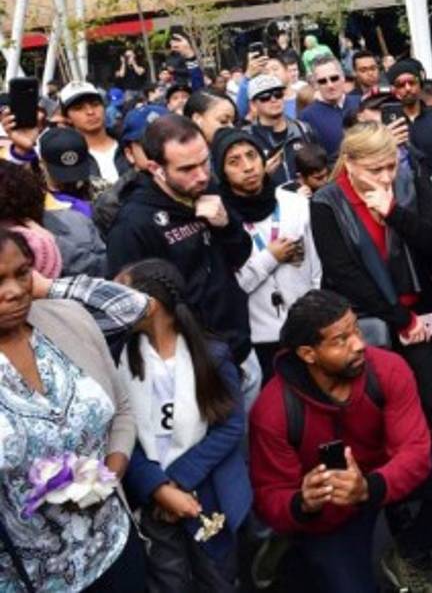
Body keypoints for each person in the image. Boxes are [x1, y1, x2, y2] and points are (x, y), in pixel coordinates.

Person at [248, 290, 432, 592]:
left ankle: (406, 553)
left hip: (377, 479)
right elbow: (269, 496)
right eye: (340, 340)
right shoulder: (273, 411)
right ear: (308, 354)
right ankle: (290, 547)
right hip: (331, 510)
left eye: (356, 329)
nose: (359, 344)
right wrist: (302, 503)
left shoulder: (387, 368)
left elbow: (415, 451)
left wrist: (369, 488)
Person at [311, 121, 432, 468]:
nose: (386, 177)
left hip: (418, 308)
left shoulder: (410, 181)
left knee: (431, 393)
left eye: (390, 166)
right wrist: (400, 319)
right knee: (377, 403)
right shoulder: (327, 201)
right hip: (371, 319)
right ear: (351, 163)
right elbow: (343, 273)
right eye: (375, 169)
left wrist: (394, 214)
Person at [0, 231, 147, 591]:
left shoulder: (67, 319)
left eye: (22, 273)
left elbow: (122, 410)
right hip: (31, 580)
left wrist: (108, 476)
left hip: (114, 547)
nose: (15, 290)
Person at [114, 259, 251, 593]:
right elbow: (121, 431)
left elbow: (231, 426)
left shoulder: (212, 355)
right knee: (167, 580)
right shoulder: (120, 358)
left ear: (151, 305)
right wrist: (159, 489)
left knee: (218, 577)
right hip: (153, 498)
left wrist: (179, 479)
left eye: (121, 295)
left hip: (208, 492)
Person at [106, 114, 256, 405]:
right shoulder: (133, 224)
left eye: (205, 162)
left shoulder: (206, 188)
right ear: (155, 168)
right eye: (187, 168)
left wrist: (226, 226)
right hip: (194, 368)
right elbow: (128, 311)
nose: (201, 174)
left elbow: (241, 254)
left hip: (239, 347)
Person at [214, 127, 321, 387]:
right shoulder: (221, 219)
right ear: (222, 172)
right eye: (234, 161)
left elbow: (317, 268)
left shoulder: (295, 204)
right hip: (258, 340)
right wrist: (269, 258)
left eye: (251, 156)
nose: (248, 167)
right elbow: (232, 287)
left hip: (307, 331)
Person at [36, 129, 109, 277]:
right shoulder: (35, 200)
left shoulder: (104, 190)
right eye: (61, 173)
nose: (69, 181)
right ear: (42, 164)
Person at [92, 104, 167, 239]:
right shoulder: (113, 204)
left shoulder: (197, 178)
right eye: (147, 143)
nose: (160, 149)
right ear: (129, 154)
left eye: (168, 139)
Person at [246, 73, 320, 186]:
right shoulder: (247, 138)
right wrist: (262, 175)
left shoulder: (303, 129)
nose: (273, 99)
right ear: (253, 105)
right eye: (265, 97)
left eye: (278, 94)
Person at [386, 59, 432, 178]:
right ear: (394, 89)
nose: (407, 88)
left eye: (412, 82)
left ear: (420, 84)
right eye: (401, 84)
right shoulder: (388, 122)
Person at [58, 80, 127, 186]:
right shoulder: (68, 157)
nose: (90, 112)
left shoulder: (127, 145)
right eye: (79, 108)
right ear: (67, 118)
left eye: (95, 105)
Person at [300, 57, 360, 163]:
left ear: (343, 78)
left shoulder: (361, 103)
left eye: (334, 78)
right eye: (323, 81)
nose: (330, 85)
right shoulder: (306, 117)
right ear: (316, 85)